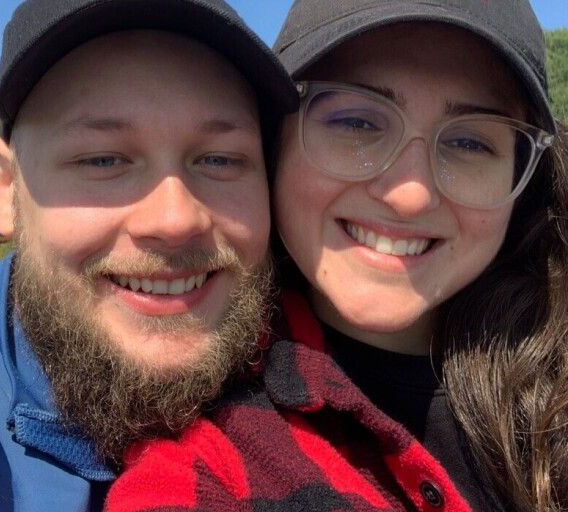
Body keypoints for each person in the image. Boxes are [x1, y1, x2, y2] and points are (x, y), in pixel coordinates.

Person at [105, 0, 568, 511]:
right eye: (356, 123)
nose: (409, 194)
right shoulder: (210, 464)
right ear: (272, 140)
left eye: (468, 142)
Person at [0, 0, 297, 509]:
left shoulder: (321, 377)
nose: (175, 220)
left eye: (221, 159)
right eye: (103, 159)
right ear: (4, 189)